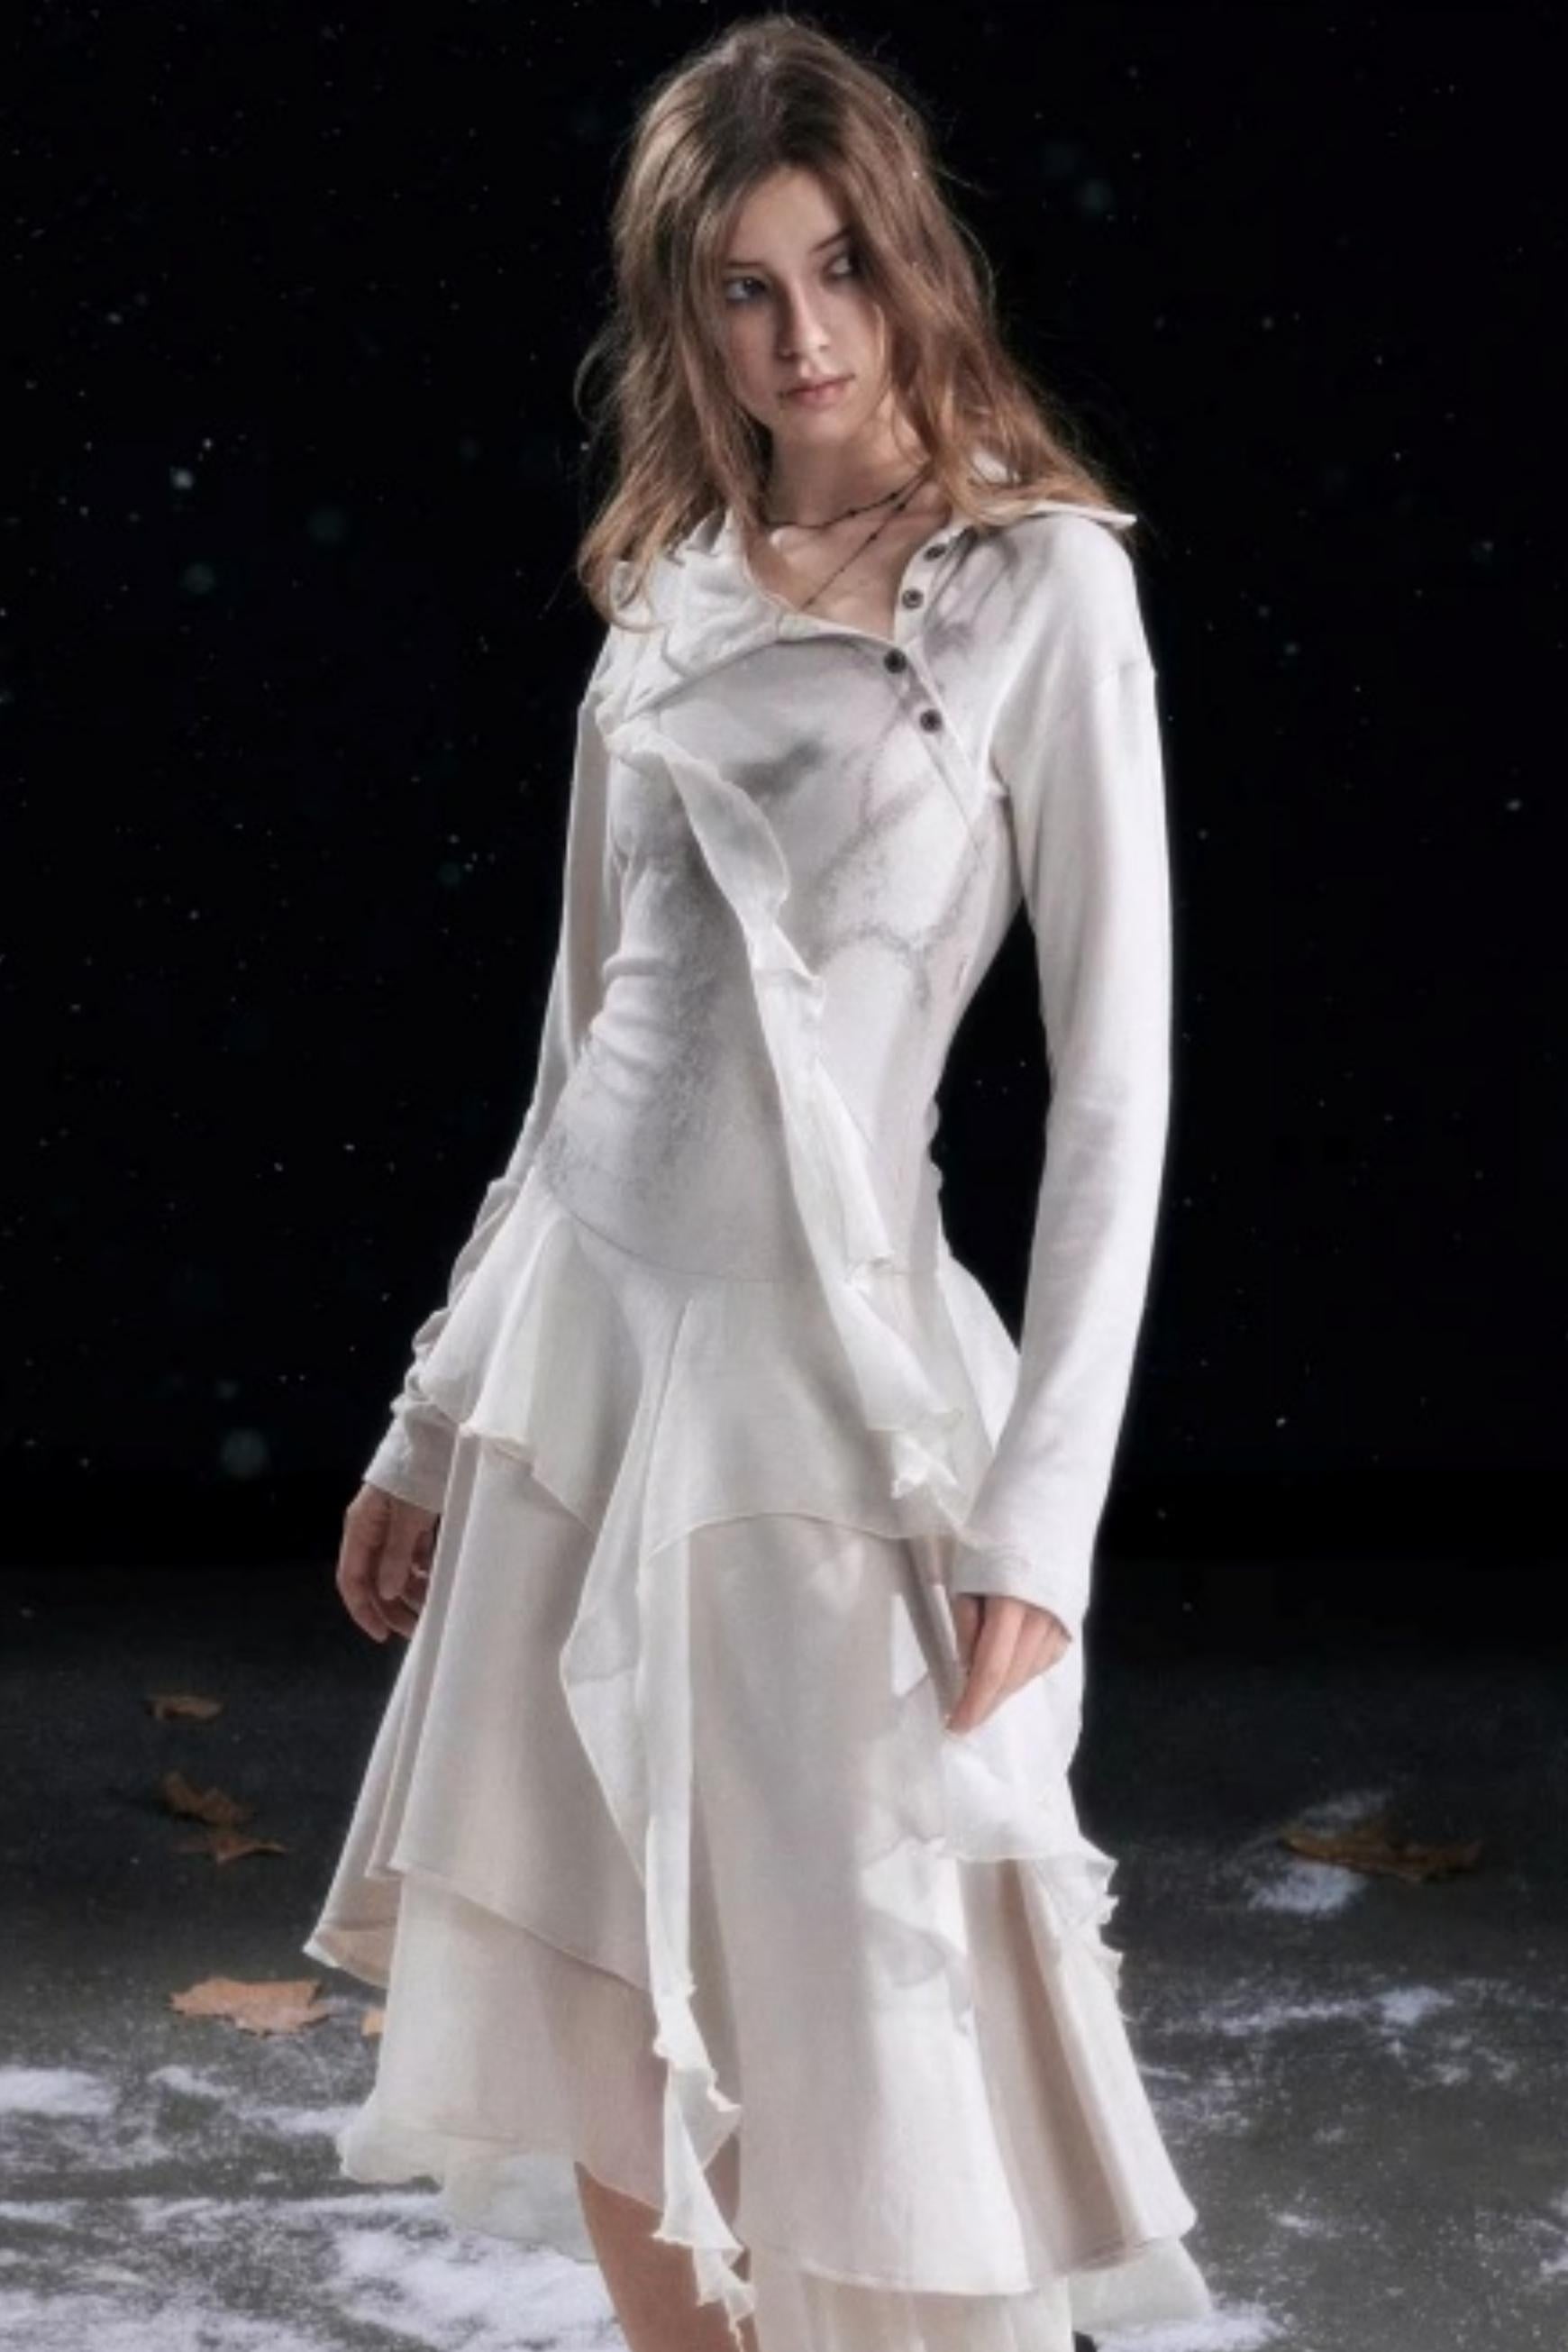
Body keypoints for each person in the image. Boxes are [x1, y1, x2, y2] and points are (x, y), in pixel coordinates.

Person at [305, 16, 1215, 2352]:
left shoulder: (1039, 591)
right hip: (583, 1383)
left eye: (840, 267)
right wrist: (431, 1417)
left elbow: (1114, 1099)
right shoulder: (667, 591)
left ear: (911, 261)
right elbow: (576, 1060)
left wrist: (1038, 1527)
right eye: (742, 286)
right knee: (611, 2014)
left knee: (866, 2042)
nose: (804, 334)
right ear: (681, 310)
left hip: (826, 1403)